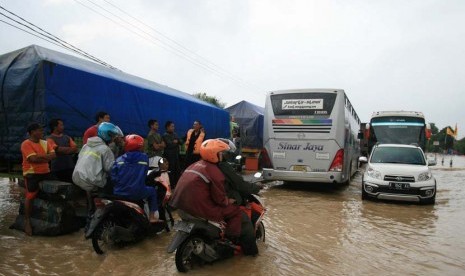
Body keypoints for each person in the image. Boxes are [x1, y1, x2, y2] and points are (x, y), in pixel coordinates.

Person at [170, 139, 257, 255]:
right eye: (221, 153)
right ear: (214, 154)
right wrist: (228, 200)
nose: (223, 156)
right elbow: (220, 199)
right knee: (237, 213)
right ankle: (232, 239)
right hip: (199, 210)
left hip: (180, 207)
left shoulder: (194, 165)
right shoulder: (215, 171)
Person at [111, 134, 162, 223]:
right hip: (136, 192)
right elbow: (145, 174)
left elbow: (113, 176)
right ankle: (152, 217)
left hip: (118, 192)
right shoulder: (144, 158)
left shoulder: (118, 159)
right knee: (152, 191)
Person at [73, 122, 123, 212]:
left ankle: (91, 210)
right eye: (112, 136)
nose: (113, 139)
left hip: (78, 177)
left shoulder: (86, 145)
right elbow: (110, 169)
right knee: (114, 189)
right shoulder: (105, 149)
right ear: (108, 135)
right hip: (92, 181)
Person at [20, 122, 56, 235]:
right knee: (30, 196)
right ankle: (27, 221)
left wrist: (39, 156)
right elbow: (33, 159)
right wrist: (45, 157)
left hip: (46, 172)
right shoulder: (26, 144)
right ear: (32, 132)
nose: (42, 132)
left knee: (58, 189)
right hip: (32, 173)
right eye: (39, 130)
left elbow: (53, 156)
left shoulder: (45, 143)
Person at [47, 118, 78, 183]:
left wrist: (62, 150)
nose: (63, 127)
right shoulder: (49, 139)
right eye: (61, 125)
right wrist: (69, 149)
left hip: (70, 166)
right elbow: (57, 149)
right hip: (57, 169)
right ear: (55, 127)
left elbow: (75, 148)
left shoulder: (67, 137)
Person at [162, 121, 181, 188]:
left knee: (177, 170)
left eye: (173, 126)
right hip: (169, 156)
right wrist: (176, 142)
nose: (173, 128)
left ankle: (177, 184)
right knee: (171, 170)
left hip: (176, 155)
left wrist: (176, 141)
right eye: (172, 126)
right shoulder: (165, 135)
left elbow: (180, 141)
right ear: (167, 127)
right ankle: (171, 185)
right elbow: (169, 144)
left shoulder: (175, 134)